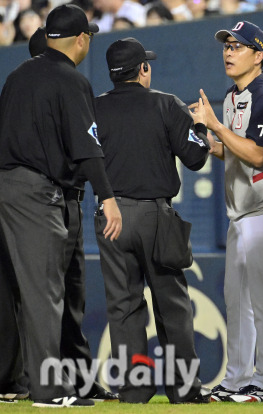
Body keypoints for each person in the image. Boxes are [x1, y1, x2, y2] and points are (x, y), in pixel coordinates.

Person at [0, 4, 122, 408]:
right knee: (45, 290)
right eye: (88, 37)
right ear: (81, 39)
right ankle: (48, 389)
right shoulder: (70, 80)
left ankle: (0, 383)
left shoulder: (17, 75)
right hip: (32, 192)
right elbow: (88, 148)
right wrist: (108, 197)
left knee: (6, 289)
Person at [94, 37, 211, 404]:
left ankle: (133, 390)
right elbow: (195, 158)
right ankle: (185, 390)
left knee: (124, 307)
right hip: (155, 216)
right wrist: (201, 126)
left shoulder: (93, 109)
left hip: (110, 216)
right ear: (142, 69)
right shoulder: (165, 104)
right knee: (172, 305)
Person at [196, 20, 263, 403]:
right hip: (241, 213)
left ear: (259, 54)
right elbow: (234, 150)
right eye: (226, 46)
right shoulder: (230, 96)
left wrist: (217, 126)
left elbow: (258, 155)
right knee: (236, 302)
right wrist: (207, 141)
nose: (229, 52)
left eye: (238, 46)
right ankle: (236, 379)